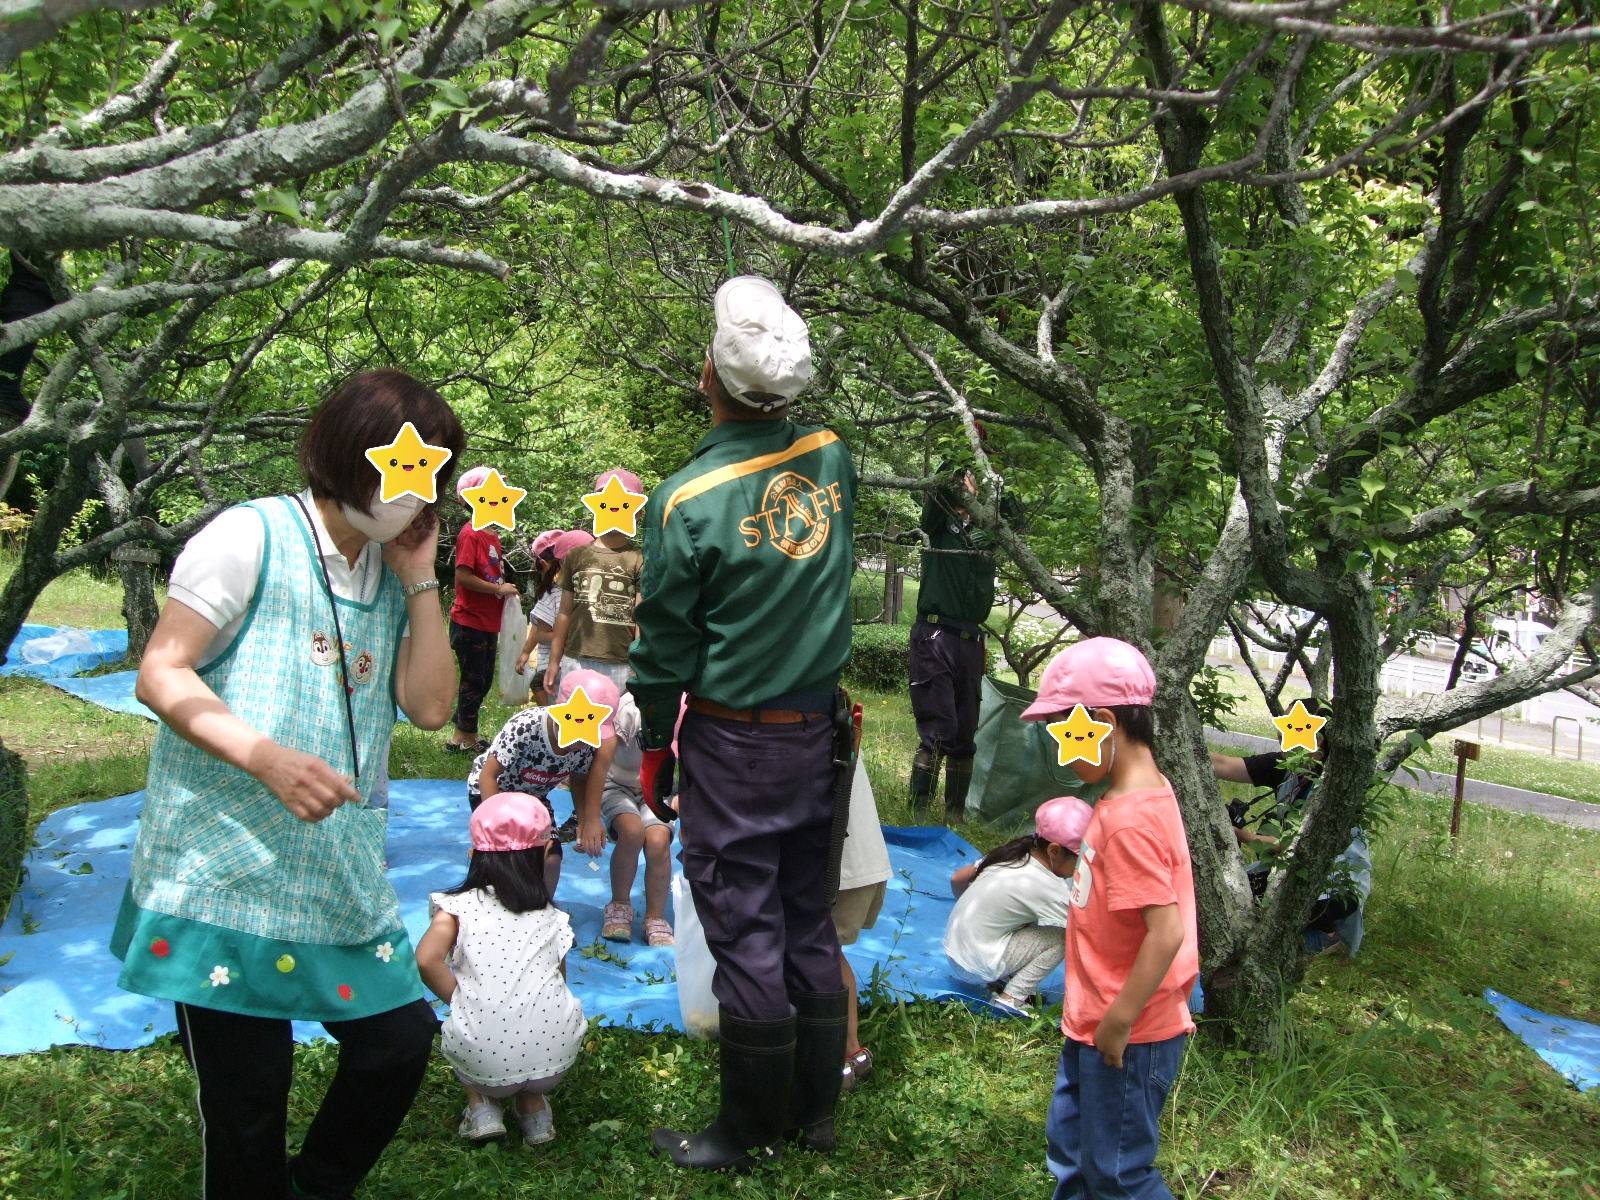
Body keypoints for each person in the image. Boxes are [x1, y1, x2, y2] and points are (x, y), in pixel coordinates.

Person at [111, 369, 464, 1200]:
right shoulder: (249, 536)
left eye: (430, 475)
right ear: (347, 456)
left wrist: (421, 578)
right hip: (222, 875)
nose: (415, 494)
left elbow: (429, 708)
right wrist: (266, 757)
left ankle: (316, 1186)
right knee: (249, 1101)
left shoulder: (388, 568)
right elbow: (161, 672)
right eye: (402, 469)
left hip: (334, 877)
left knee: (398, 1044)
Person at [629, 275, 856, 1170]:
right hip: (818, 733)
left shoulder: (685, 500)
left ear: (707, 378)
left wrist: (655, 743)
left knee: (745, 921)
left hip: (735, 743)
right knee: (806, 916)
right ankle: (814, 1113)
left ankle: (749, 1129)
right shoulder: (831, 457)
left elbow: (665, 645)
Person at [1020, 637, 1198, 1200]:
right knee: (1072, 1150)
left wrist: (1119, 1020)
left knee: (1118, 1173)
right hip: (1095, 1019)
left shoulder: (1130, 822)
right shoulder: (1137, 795)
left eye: (1063, 734)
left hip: (1128, 1031)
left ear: (1102, 723)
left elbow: (1166, 932)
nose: (1060, 752)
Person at [416, 792, 585, 1147]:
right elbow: (557, 981)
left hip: (482, 1059)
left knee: (474, 1027)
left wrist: (463, 1001)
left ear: (473, 854)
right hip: (556, 1056)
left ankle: (482, 1107)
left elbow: (426, 959)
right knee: (526, 1019)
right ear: (544, 853)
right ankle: (534, 1110)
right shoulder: (552, 916)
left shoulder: (456, 908)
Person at [909, 429, 1021, 823]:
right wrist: (959, 455)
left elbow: (1015, 513)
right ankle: (918, 812)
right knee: (938, 727)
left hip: (970, 640)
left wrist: (992, 475)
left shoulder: (984, 533)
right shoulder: (938, 526)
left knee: (964, 732)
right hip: (935, 634)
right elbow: (939, 485)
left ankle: (955, 815)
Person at [1210, 704, 1371, 955]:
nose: (1280, 731)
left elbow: (1293, 846)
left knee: (1259, 904)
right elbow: (1221, 763)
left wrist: (1240, 835)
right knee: (1239, 890)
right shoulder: (1286, 764)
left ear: (1318, 738)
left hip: (1334, 886)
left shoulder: (1334, 787)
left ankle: (1328, 935)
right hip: (1297, 870)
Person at [467, 668, 619, 896]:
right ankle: (479, 891)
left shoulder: (588, 744)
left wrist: (585, 819)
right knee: (505, 857)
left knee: (551, 858)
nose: (584, 742)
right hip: (494, 793)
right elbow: (488, 775)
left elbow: (579, 779)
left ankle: (544, 906)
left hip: (534, 800)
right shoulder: (526, 727)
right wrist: (495, 825)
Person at [944, 795, 1091, 1013]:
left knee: (1028, 918)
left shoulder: (1013, 852)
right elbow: (1085, 929)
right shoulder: (1049, 887)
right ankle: (1011, 999)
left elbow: (957, 878)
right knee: (1061, 937)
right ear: (1054, 850)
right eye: (1079, 861)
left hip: (953, 949)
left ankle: (1002, 976)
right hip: (973, 966)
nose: (1079, 868)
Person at [542, 469, 644, 697]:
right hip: (575, 660)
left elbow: (641, 618)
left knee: (616, 719)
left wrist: (639, 666)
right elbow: (564, 613)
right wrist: (554, 661)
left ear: (638, 511)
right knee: (574, 719)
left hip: (621, 664)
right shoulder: (576, 556)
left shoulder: (639, 559)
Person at [445, 465, 520, 753]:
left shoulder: (492, 536)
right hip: (469, 621)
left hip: (488, 622)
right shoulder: (471, 534)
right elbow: (462, 576)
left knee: (484, 679)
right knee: (474, 679)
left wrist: (502, 588)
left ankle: (465, 732)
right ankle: (462, 737)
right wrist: (497, 589)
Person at [597, 690, 675, 945]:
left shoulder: (681, 707)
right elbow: (601, 759)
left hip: (656, 788)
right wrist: (589, 816)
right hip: (617, 784)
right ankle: (619, 904)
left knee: (658, 841)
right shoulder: (629, 707)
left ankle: (655, 916)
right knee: (632, 832)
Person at [834, 755, 892, 1093]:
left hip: (841, 868)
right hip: (858, 862)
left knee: (818, 955)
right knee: (829, 953)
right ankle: (853, 1050)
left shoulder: (809, 731)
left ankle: (838, 1054)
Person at [516, 528, 593, 705]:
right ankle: (547, 715)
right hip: (555, 664)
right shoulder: (553, 593)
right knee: (540, 684)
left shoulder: (594, 593)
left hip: (581, 663)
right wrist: (563, 637)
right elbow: (539, 632)